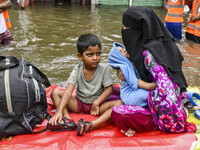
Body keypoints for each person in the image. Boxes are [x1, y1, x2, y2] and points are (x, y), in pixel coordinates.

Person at [109, 6, 196, 137]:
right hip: (167, 96)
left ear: (139, 29)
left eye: (127, 28)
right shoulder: (163, 42)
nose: (124, 31)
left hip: (165, 109)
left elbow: (165, 93)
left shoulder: (150, 55)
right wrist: (120, 69)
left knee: (118, 112)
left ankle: (151, 121)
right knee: (113, 93)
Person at [49, 33, 123, 136]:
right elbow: (68, 92)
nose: (95, 58)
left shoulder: (103, 69)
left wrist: (96, 103)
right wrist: (59, 111)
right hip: (79, 104)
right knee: (55, 92)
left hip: (98, 107)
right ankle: (66, 118)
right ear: (80, 56)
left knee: (119, 103)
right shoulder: (77, 69)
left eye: (98, 53)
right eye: (90, 54)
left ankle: (92, 125)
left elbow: (109, 89)